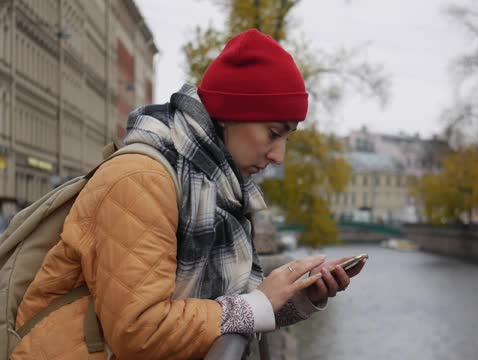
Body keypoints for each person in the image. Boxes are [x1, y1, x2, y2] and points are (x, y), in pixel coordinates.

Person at [11, 29, 366, 359]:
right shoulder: (140, 180)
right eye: (274, 133)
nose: (279, 156)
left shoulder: (219, 189)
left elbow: (227, 312)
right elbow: (139, 330)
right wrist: (257, 304)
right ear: (231, 115)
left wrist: (298, 297)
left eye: (287, 138)